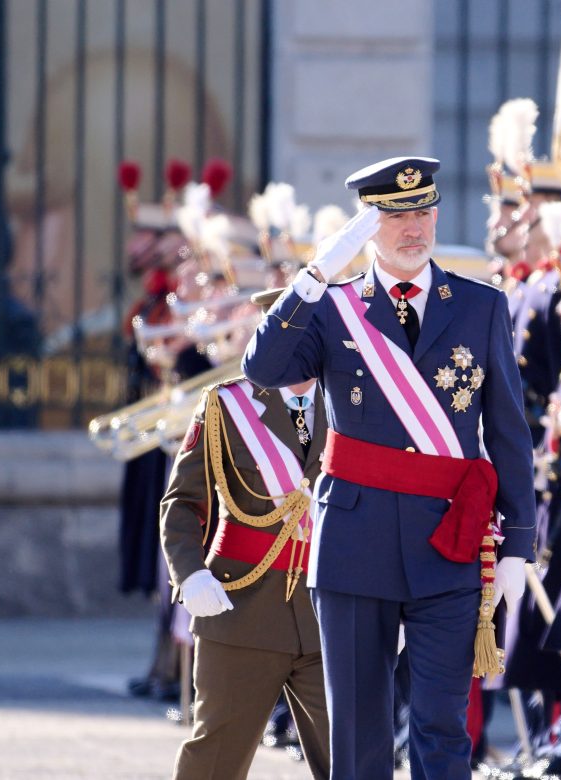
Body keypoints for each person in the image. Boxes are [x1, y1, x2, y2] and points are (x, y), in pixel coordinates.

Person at [241, 156, 536, 778]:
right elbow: (262, 370)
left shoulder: (481, 306)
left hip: (449, 541)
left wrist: (519, 543)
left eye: (424, 211)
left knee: (440, 726)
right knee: (358, 731)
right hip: (355, 538)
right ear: (367, 226)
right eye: (396, 215)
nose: (414, 228)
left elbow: (508, 430)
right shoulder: (331, 307)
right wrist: (316, 273)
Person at [159, 286, 329, 779]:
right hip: (240, 609)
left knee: (354, 758)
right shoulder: (226, 406)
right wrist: (190, 575)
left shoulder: (356, 408)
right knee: (215, 759)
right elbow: (182, 503)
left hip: (330, 615)